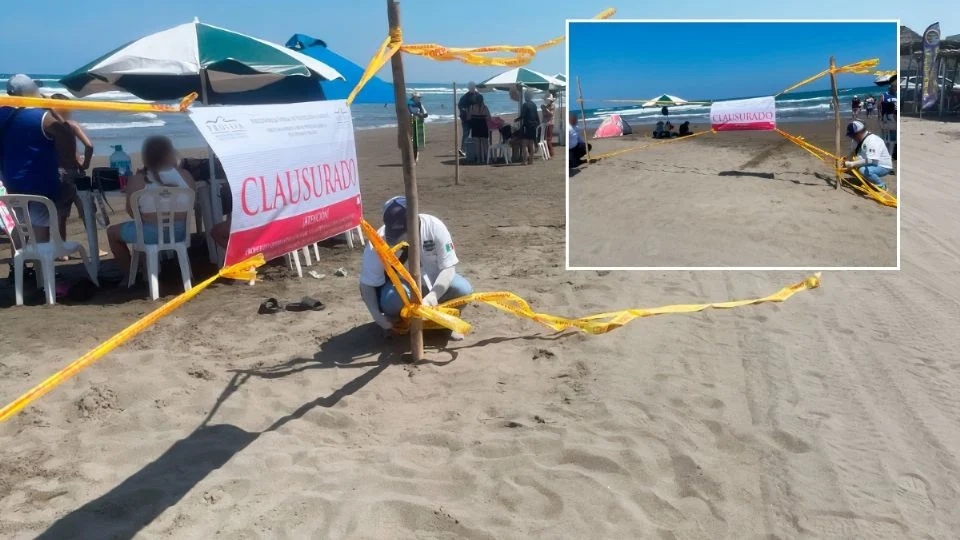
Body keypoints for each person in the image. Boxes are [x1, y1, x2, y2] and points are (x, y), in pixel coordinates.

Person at [359, 196, 473, 340]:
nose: (399, 238)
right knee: (391, 300)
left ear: (413, 224)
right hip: (402, 290)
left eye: (402, 234)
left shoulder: (434, 226)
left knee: (462, 289)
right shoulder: (378, 242)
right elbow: (367, 284)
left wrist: (433, 296)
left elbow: (448, 268)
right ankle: (399, 324)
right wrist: (376, 316)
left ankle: (446, 322)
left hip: (435, 283)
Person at [106, 136, 196, 281]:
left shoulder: (137, 180)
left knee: (112, 232)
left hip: (149, 235)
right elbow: (192, 204)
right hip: (180, 233)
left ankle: (129, 274)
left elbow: (132, 212)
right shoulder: (186, 176)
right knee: (141, 228)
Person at [0, 74, 68, 243]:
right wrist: (50, 107)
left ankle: (18, 264)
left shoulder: (3, 115)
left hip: (12, 180)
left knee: (21, 223)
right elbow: (65, 132)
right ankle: (42, 269)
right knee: (40, 227)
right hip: (40, 183)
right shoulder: (40, 117)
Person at [49, 94, 94, 253]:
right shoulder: (71, 125)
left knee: (61, 214)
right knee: (86, 212)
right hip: (76, 171)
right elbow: (89, 146)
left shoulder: (49, 128)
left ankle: (62, 250)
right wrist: (85, 163)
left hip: (59, 173)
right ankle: (95, 247)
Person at [842, 120, 892, 191]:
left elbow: (871, 160)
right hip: (870, 163)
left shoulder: (872, 140)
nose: (852, 138)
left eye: (852, 135)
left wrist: (853, 163)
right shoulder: (858, 140)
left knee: (862, 170)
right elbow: (852, 151)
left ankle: (882, 186)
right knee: (849, 168)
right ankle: (868, 180)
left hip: (883, 166)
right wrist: (846, 160)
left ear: (859, 133)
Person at [457, 82, 480, 157]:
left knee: (475, 135)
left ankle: (474, 150)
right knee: (466, 134)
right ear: (469, 88)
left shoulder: (478, 95)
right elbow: (460, 106)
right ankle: (463, 150)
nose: (472, 89)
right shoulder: (465, 97)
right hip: (466, 119)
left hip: (475, 119)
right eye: (470, 87)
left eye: (473, 87)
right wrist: (465, 110)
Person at [466, 94, 491, 162]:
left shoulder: (472, 107)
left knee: (477, 145)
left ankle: (478, 159)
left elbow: (468, 118)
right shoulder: (485, 107)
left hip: (475, 127)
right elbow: (489, 117)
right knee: (485, 144)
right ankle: (487, 159)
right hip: (483, 126)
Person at [518, 90, 540, 165]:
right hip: (533, 126)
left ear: (526, 96)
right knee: (531, 143)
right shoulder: (534, 105)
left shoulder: (525, 105)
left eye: (525, 95)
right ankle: (531, 160)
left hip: (527, 126)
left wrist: (517, 119)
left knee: (524, 144)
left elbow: (523, 115)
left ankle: (524, 161)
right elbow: (537, 116)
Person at [407, 91, 428, 162]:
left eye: (419, 98)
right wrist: (419, 114)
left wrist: (421, 114)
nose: (419, 99)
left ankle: (415, 157)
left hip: (418, 124)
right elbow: (411, 112)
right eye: (418, 97)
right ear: (414, 98)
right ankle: (413, 156)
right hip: (410, 123)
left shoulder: (419, 104)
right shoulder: (408, 104)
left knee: (417, 141)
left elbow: (426, 114)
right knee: (412, 140)